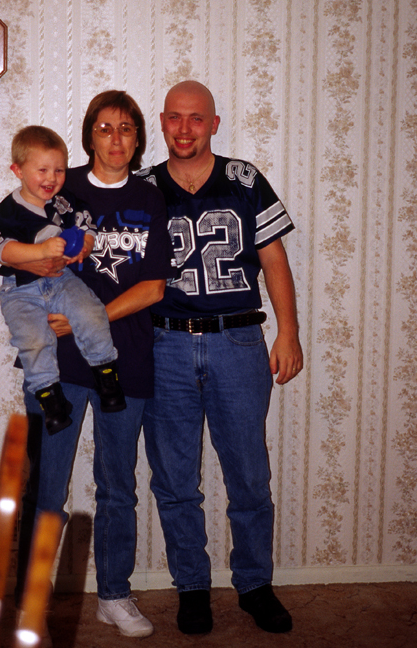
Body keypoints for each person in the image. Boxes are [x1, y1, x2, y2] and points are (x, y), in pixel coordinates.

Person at [2, 92, 175, 641]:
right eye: (105, 128)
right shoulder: (60, 186)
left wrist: (85, 318)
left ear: (138, 137)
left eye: (127, 128)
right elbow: (10, 247)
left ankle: (114, 595)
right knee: (46, 487)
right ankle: (32, 600)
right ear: (89, 135)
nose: (116, 138)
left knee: (116, 485)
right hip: (55, 363)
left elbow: (153, 286)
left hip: (125, 361)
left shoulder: (151, 199)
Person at [139, 80, 304, 635]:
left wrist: (290, 333)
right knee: (175, 478)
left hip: (238, 341)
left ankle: (255, 584)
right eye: (174, 119)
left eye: (196, 118)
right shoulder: (140, 188)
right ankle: (192, 587)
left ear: (214, 122)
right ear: (161, 122)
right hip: (166, 344)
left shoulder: (244, 179)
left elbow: (274, 261)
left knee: (249, 476)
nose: (184, 129)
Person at [0, 126, 125, 436]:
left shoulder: (63, 201)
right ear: (17, 170)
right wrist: (38, 251)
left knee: (91, 311)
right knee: (33, 341)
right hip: (20, 290)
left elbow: (86, 224)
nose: (52, 178)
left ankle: (106, 374)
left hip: (63, 279)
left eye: (59, 170)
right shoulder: (8, 210)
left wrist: (86, 244)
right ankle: (49, 397)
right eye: (43, 170)